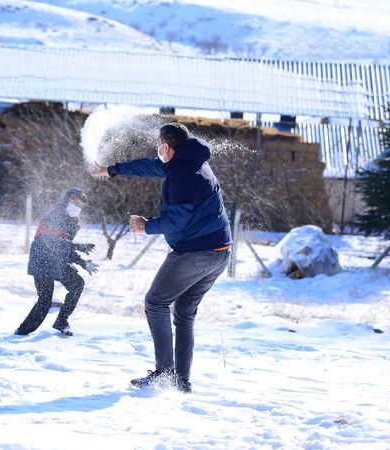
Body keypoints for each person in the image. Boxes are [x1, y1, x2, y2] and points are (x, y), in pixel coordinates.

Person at [91, 123, 231, 393]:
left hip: (196, 252)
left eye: (158, 146)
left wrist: (146, 225)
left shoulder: (184, 174)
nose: (157, 150)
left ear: (167, 147)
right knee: (184, 313)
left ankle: (164, 374)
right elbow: (150, 166)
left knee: (155, 303)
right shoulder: (189, 161)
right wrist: (113, 169)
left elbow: (177, 220)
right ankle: (181, 381)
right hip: (219, 252)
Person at [15, 188, 98, 337]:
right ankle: (21, 332)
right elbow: (52, 243)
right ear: (67, 200)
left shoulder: (72, 221)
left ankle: (61, 321)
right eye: (75, 202)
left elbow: (64, 249)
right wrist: (78, 246)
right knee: (45, 301)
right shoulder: (53, 217)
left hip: (56, 261)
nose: (77, 207)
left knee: (77, 284)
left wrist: (82, 263)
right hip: (42, 261)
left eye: (80, 205)